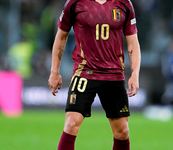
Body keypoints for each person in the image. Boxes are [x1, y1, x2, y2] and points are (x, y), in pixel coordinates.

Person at [48, 0, 141, 149]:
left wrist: (135, 73)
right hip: (84, 72)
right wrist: (54, 71)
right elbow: (61, 36)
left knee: (122, 131)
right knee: (71, 123)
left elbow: (133, 43)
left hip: (114, 75)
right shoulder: (74, 3)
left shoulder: (124, 4)